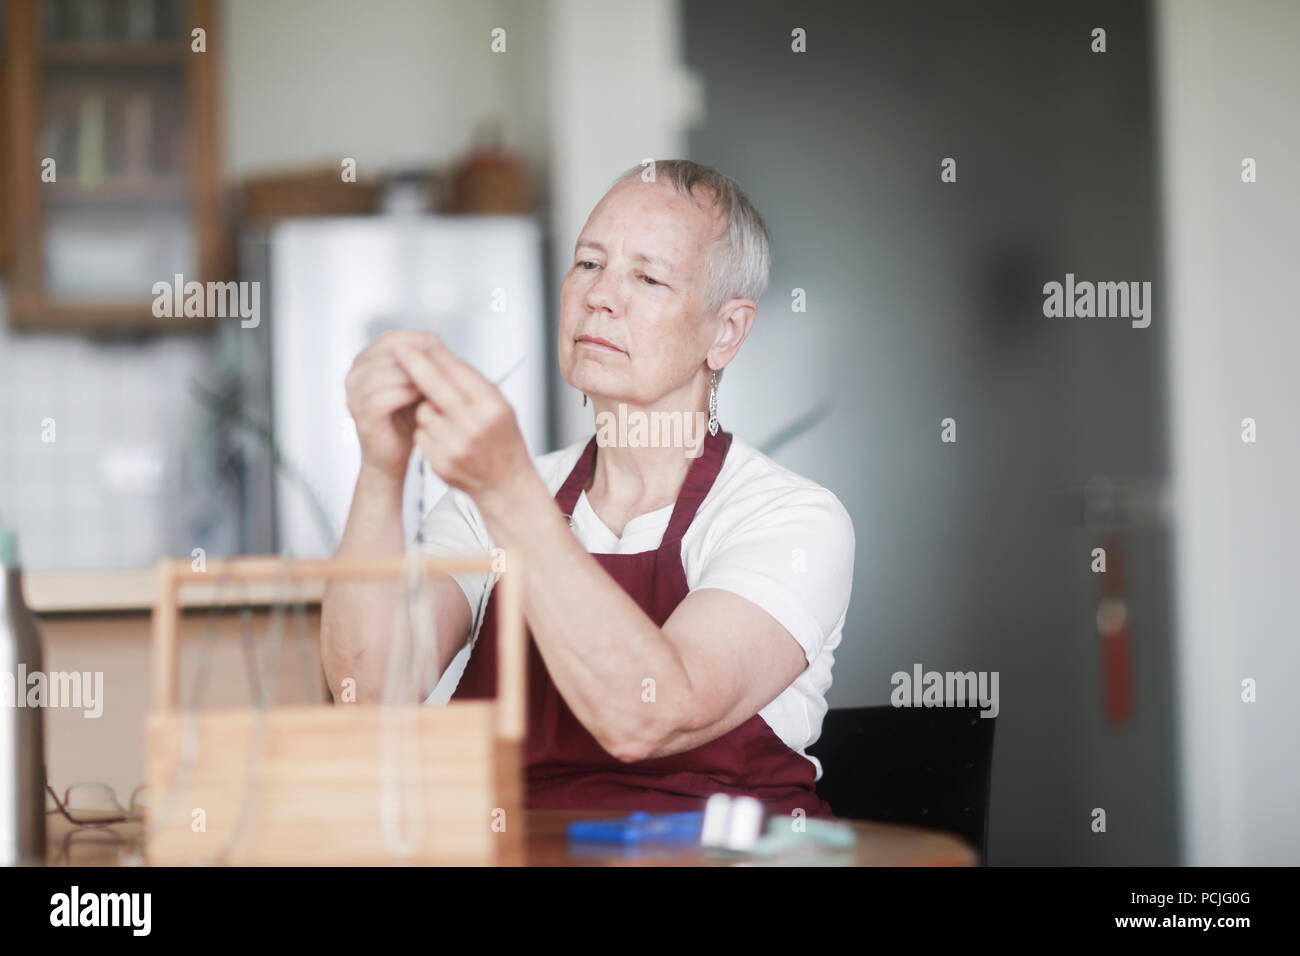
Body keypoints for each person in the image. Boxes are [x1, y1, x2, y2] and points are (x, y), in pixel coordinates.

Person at [321, 160, 855, 817]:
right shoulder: (484, 503)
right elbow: (366, 695)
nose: (601, 296)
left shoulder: (790, 520)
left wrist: (508, 490)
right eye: (588, 264)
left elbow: (649, 716)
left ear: (727, 332)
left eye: (649, 277)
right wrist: (382, 466)